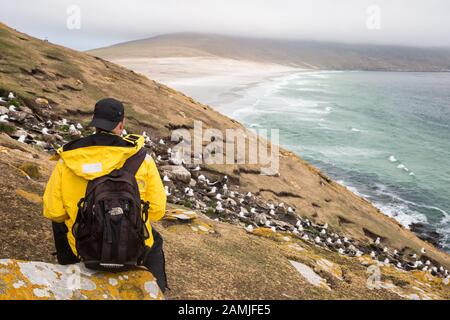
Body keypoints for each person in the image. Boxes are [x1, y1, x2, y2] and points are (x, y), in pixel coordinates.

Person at [43, 98, 168, 292]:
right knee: (154, 239)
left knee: (60, 223)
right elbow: (158, 211)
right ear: (121, 125)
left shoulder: (68, 160)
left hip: (84, 249)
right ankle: (156, 291)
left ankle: (70, 277)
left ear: (95, 124)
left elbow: (53, 211)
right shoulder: (143, 160)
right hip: (133, 249)